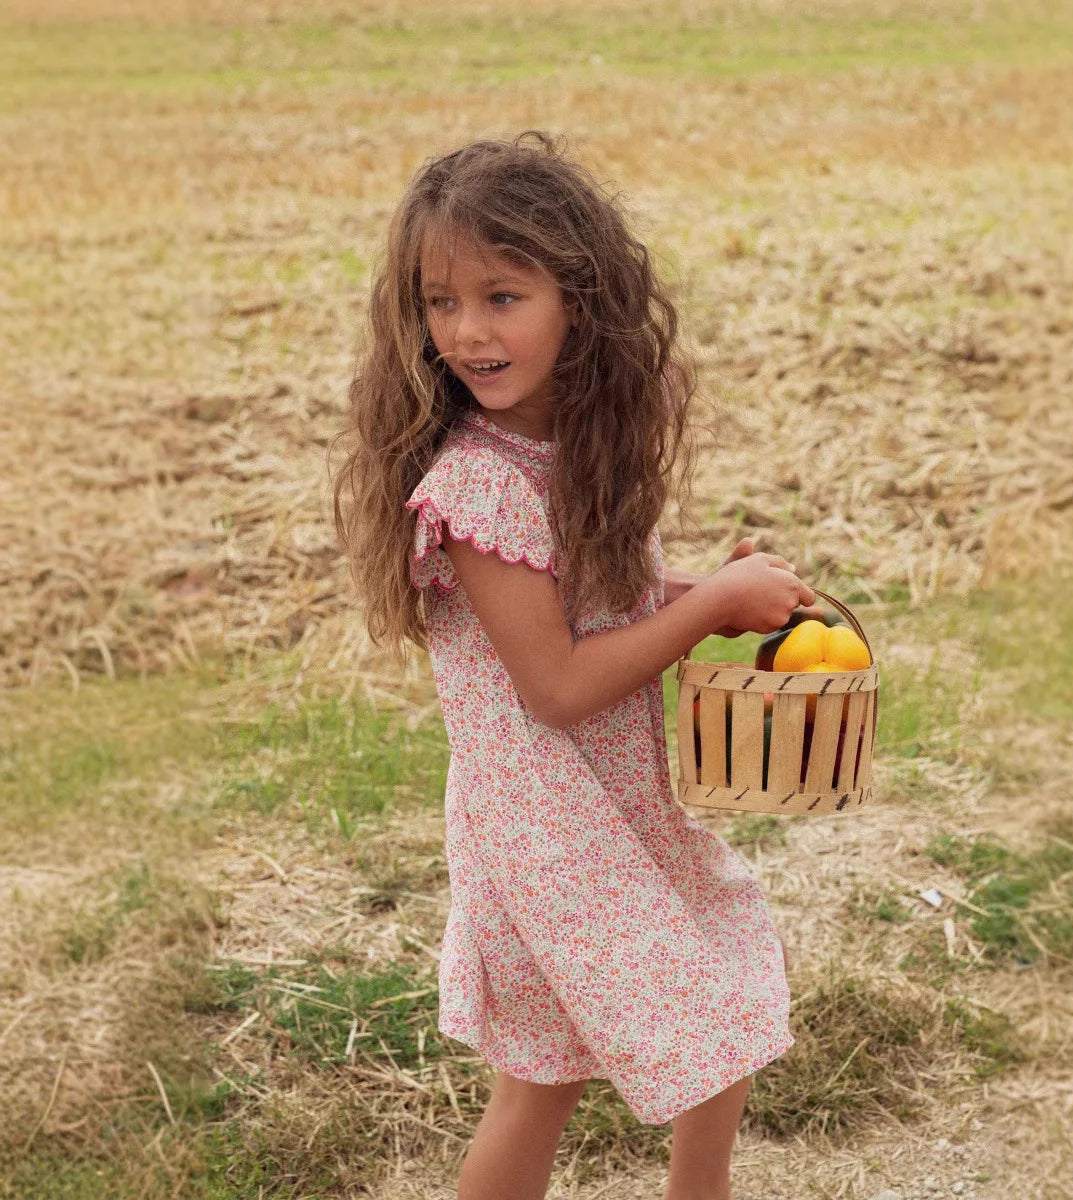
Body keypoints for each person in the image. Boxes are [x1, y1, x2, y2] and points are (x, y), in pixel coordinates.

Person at [332, 130, 814, 1200]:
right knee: (556, 1076)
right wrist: (705, 615)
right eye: (440, 301)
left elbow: (597, 610)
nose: (465, 331)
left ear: (579, 299)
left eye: (502, 297)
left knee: (697, 1001)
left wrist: (706, 599)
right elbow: (554, 687)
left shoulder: (567, 452)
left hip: (611, 806)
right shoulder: (476, 491)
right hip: (548, 828)